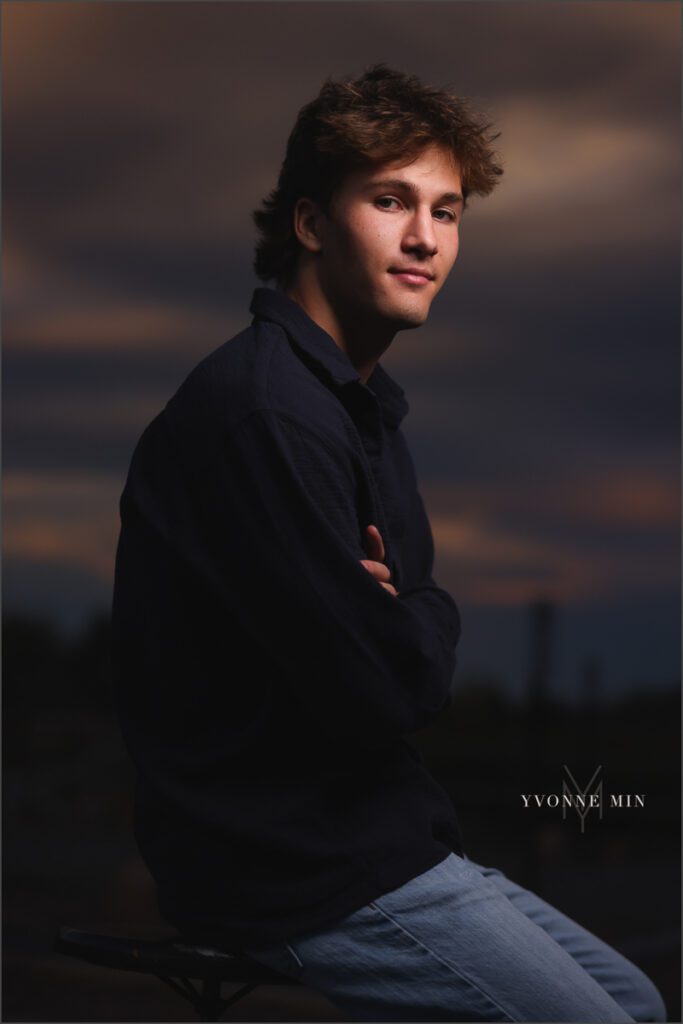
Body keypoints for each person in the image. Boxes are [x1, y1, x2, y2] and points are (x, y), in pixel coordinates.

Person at [112, 65, 667, 1022]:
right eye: (389, 201)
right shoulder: (268, 416)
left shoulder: (356, 409)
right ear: (310, 224)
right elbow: (391, 688)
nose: (425, 239)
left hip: (382, 841)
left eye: (446, 212)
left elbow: (413, 630)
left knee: (641, 1003)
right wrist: (405, 619)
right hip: (295, 867)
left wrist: (407, 609)